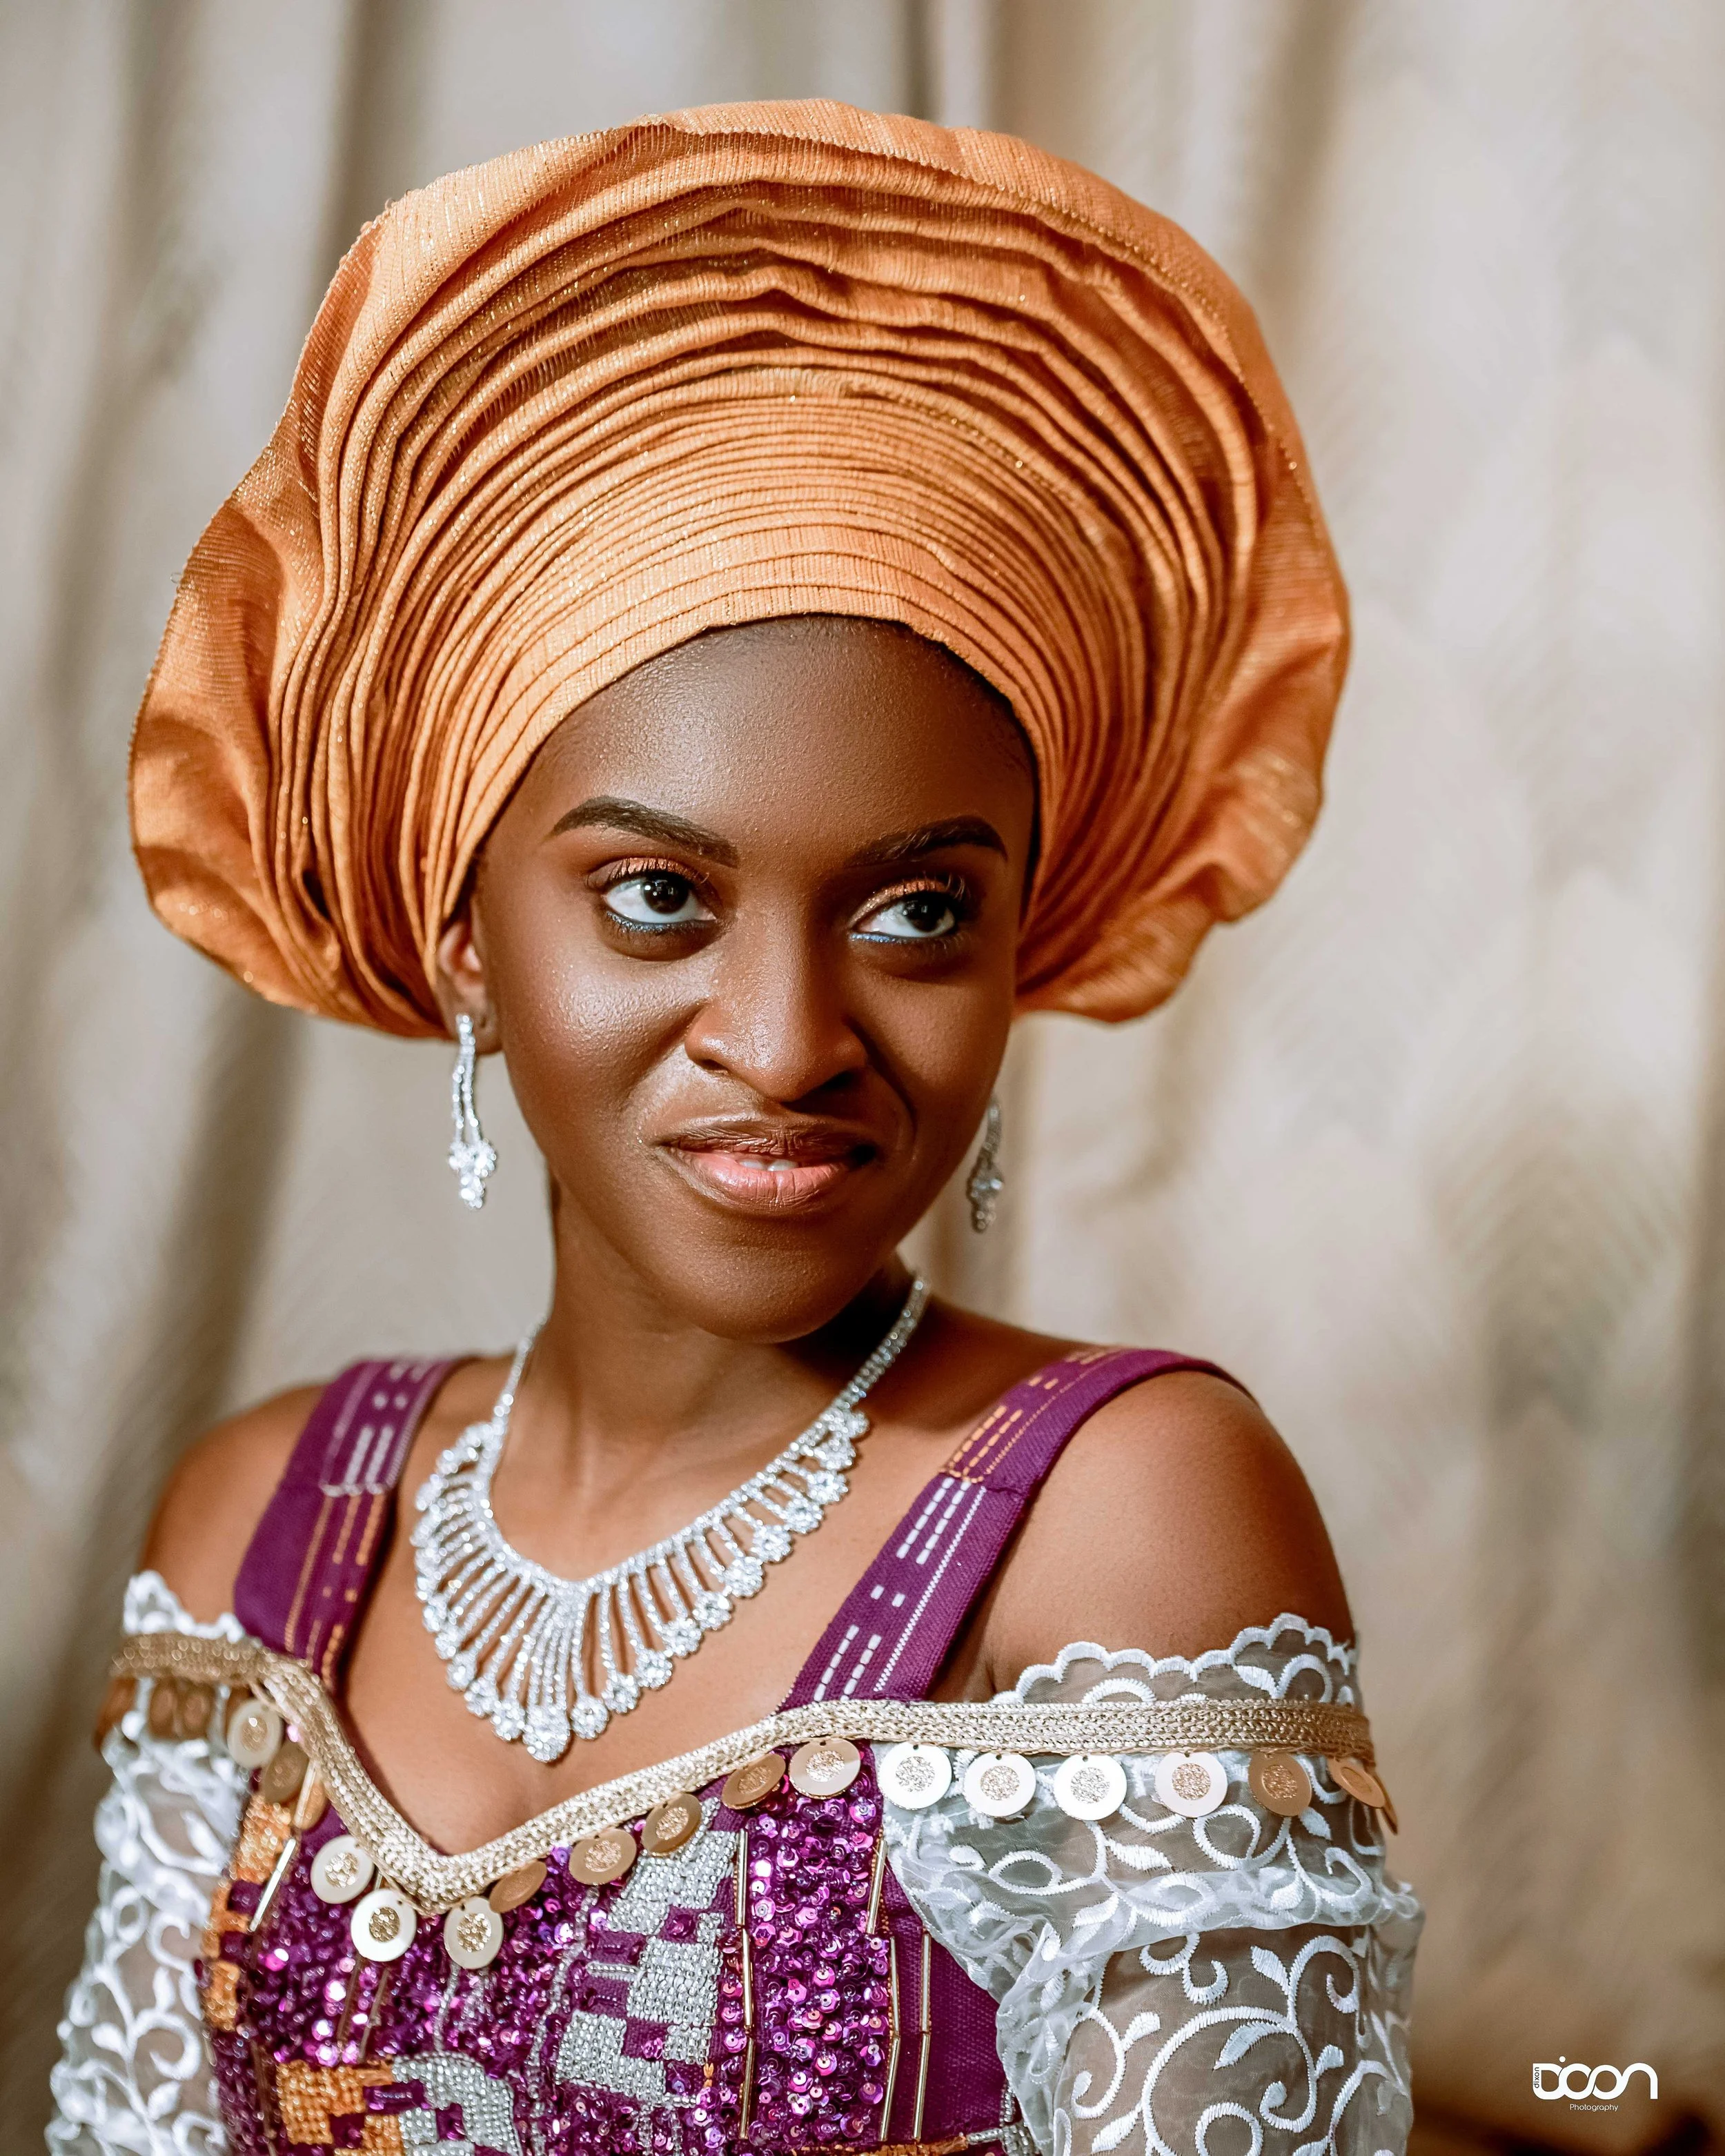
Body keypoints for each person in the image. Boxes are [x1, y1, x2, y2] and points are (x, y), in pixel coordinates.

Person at [50, 101, 1418, 2156]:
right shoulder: (253, 1528)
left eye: (916, 910)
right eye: (657, 897)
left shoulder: (1121, 1512)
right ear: (464, 934)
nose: (787, 1042)